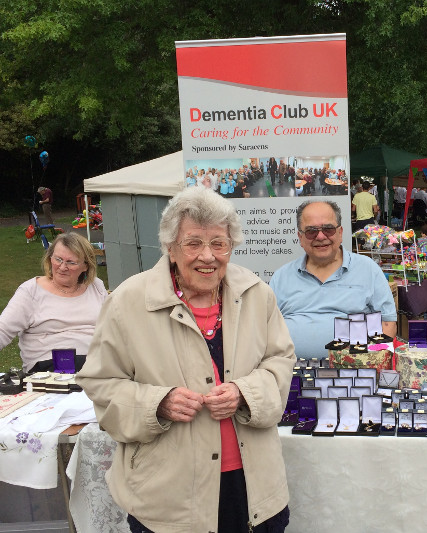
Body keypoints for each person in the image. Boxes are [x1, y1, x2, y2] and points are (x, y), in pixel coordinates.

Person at [76, 187, 295, 533]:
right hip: (169, 497)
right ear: (170, 247)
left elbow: (280, 361)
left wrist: (244, 393)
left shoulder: (257, 293)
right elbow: (100, 383)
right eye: (193, 243)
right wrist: (158, 403)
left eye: (219, 243)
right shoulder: (128, 302)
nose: (208, 256)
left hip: (255, 488)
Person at [270, 201, 397, 359]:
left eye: (328, 229)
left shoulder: (368, 269)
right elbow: (265, 329)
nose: (320, 236)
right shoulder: (281, 277)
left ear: (340, 233)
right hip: (292, 370)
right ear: (300, 237)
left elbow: (387, 324)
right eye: (311, 231)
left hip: (355, 369)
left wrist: (372, 363)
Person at [0, 233, 106, 373]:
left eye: (71, 262)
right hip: (49, 369)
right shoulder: (31, 291)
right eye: (58, 259)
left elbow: (115, 327)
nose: (62, 267)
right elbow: (3, 330)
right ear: (50, 258)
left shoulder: (96, 287)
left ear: (85, 266)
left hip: (97, 363)